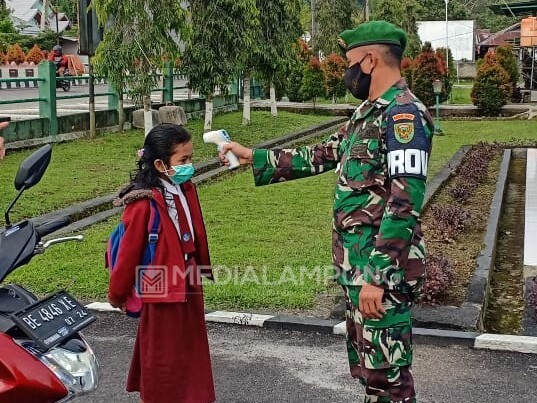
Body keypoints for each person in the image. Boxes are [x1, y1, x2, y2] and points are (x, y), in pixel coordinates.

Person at [220, 21, 434, 403]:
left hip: (379, 273)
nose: (346, 72)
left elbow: (405, 203)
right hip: (357, 267)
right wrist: (254, 156)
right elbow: (322, 153)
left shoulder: (403, 116)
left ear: (369, 60)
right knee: (370, 371)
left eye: (349, 63)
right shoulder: (367, 113)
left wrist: (377, 277)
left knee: (389, 380)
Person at [108, 124, 216, 403]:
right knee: (162, 352)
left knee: (190, 347)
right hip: (159, 280)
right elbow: (128, 254)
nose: (189, 165)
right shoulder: (142, 203)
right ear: (159, 163)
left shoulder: (184, 187)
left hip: (188, 275)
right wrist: (117, 294)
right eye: (183, 160)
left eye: (191, 158)